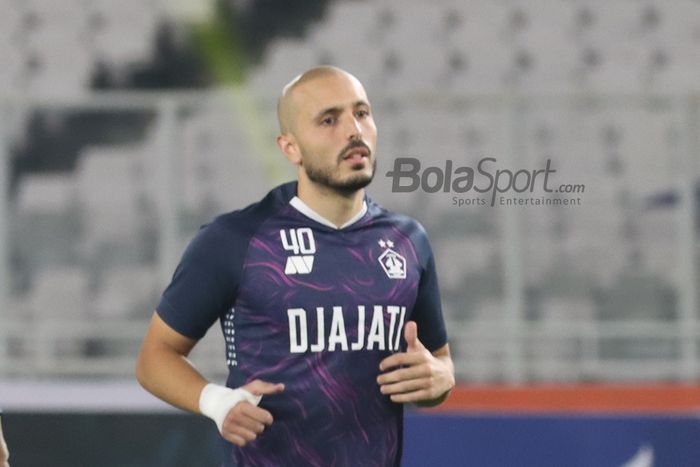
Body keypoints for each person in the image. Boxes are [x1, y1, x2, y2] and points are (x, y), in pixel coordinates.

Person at [136, 65, 455, 466]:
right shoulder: (236, 240)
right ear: (291, 148)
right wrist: (217, 401)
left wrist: (442, 379)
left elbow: (438, 363)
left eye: (362, 113)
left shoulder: (409, 243)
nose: (353, 131)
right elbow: (154, 358)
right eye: (329, 120)